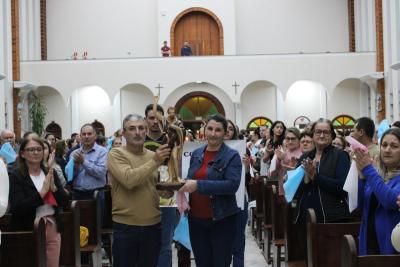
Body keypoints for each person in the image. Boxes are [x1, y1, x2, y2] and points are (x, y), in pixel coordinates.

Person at [107, 114, 171, 267]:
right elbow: (129, 180)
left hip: (153, 225)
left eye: (141, 128)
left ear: (146, 131)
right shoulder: (116, 154)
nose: (137, 132)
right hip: (126, 227)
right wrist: (155, 161)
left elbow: (157, 186)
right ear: (123, 133)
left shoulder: (152, 155)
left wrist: (167, 190)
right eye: (132, 128)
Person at [179, 114, 242, 267]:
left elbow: (231, 185)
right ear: (204, 130)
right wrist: (183, 183)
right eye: (210, 129)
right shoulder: (196, 153)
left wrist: (198, 185)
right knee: (202, 263)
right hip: (196, 219)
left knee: (221, 262)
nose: (213, 134)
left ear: (225, 133)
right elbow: (191, 177)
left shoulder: (231, 155)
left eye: (218, 130)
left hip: (222, 218)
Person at [9, 137, 70, 267]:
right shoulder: (16, 176)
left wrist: (54, 189)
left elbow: (65, 202)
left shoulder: (49, 172)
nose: (35, 152)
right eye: (31, 150)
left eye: (38, 149)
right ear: (22, 154)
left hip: (52, 225)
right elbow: (18, 208)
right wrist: (41, 193)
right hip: (28, 228)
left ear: (43, 152)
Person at [294, 118, 351, 224]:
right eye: (318, 132)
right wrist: (306, 180)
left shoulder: (340, 155)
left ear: (332, 136)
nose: (321, 135)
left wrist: (316, 177)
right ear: (313, 135)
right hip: (305, 216)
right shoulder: (305, 157)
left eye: (326, 132)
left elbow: (343, 187)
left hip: (332, 217)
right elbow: (295, 190)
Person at [354, 128, 400, 255]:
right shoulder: (377, 173)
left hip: (391, 247)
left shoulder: (373, 173)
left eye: (394, 146)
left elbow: (390, 201)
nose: (387, 150)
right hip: (370, 242)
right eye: (384, 145)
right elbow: (360, 205)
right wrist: (362, 179)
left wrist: (368, 170)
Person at [144, 103, 179, 267]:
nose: (154, 122)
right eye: (151, 118)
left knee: (165, 244)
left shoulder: (172, 139)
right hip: (143, 196)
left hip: (167, 198)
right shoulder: (138, 140)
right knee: (145, 243)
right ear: (145, 120)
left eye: (158, 118)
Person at [225, 119, 247, 267]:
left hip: (239, 199)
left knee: (238, 243)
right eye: (224, 128)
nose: (227, 131)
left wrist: (247, 166)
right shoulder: (203, 149)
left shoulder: (242, 149)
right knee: (221, 246)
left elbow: (249, 180)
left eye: (230, 129)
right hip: (216, 203)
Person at [70, 123, 108, 200]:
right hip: (78, 193)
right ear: (80, 137)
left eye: (89, 134)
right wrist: (75, 167)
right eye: (84, 134)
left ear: (95, 136)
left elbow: (101, 172)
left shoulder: (103, 152)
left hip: (97, 193)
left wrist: (83, 162)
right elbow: (69, 177)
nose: (86, 137)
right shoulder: (74, 153)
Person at [273, 127, 302, 196]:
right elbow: (272, 175)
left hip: (297, 192)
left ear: (298, 139)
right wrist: (278, 159)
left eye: (293, 139)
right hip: (283, 191)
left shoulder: (303, 153)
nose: (290, 141)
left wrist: (285, 161)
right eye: (288, 139)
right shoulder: (282, 152)